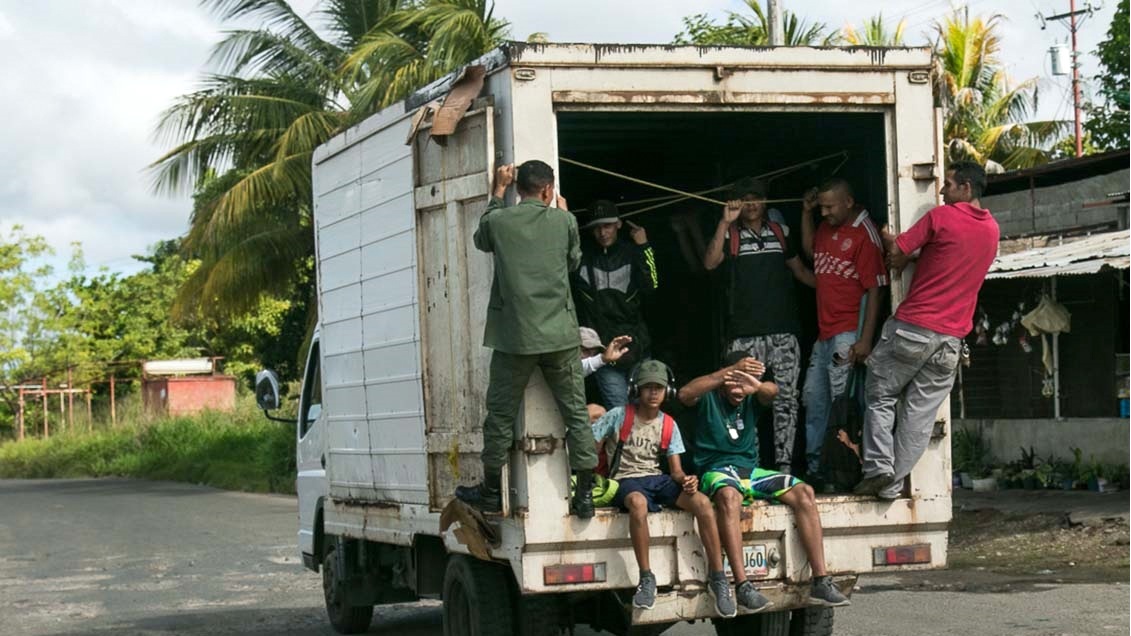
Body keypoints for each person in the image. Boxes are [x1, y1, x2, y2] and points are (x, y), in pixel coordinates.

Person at [460, 160, 598, 518]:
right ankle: (584, 492)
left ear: (518, 187)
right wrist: (565, 217)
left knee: (500, 415)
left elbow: (481, 238)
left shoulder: (499, 220)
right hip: (560, 337)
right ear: (548, 191)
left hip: (514, 338)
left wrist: (496, 192)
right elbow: (573, 263)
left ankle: (492, 491)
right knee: (576, 415)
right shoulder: (564, 221)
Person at [855, 161, 999, 500]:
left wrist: (891, 238)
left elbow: (896, 249)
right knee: (918, 419)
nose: (942, 190)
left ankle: (877, 467)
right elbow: (950, 260)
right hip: (951, 342)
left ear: (965, 188)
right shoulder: (992, 230)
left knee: (880, 394)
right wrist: (916, 259)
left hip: (913, 329)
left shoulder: (941, 217)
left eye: (948, 184)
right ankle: (890, 488)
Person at [678, 352, 851, 610]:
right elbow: (684, 394)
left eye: (744, 384)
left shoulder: (751, 397)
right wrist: (728, 372)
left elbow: (772, 391)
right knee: (728, 496)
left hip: (751, 472)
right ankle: (742, 585)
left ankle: (821, 579)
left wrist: (755, 384)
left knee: (804, 492)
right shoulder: (709, 398)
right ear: (725, 378)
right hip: (717, 470)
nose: (739, 389)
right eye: (734, 382)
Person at [590, 360, 736, 617]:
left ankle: (718, 577)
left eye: (659, 387)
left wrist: (686, 481)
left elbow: (676, 470)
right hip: (626, 480)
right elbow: (590, 445)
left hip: (658, 479)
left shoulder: (668, 423)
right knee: (637, 504)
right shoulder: (618, 415)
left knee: (702, 503)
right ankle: (647, 578)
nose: (653, 393)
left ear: (667, 391)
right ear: (637, 390)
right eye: (648, 387)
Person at [703, 177, 816, 474]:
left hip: (783, 330)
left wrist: (838, 291)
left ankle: (785, 467)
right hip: (744, 334)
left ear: (765, 201)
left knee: (786, 400)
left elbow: (801, 271)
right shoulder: (731, 235)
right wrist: (724, 223)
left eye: (756, 198)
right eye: (745, 198)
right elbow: (710, 262)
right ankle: (748, 466)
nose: (751, 203)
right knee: (742, 399)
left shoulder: (781, 232)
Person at [798, 178, 887, 482]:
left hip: (848, 334)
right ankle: (816, 470)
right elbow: (812, 252)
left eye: (829, 206)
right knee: (813, 399)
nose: (825, 212)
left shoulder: (864, 233)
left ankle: (845, 470)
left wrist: (865, 339)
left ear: (848, 202)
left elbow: (876, 290)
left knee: (842, 405)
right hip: (824, 335)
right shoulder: (825, 226)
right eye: (821, 206)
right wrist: (806, 213)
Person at [573, 200, 659, 409]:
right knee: (618, 413)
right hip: (604, 350)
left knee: (645, 411)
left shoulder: (632, 252)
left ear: (618, 224)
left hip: (638, 346)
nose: (602, 232)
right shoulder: (581, 258)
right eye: (597, 227)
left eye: (607, 226)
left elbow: (653, 285)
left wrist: (644, 246)